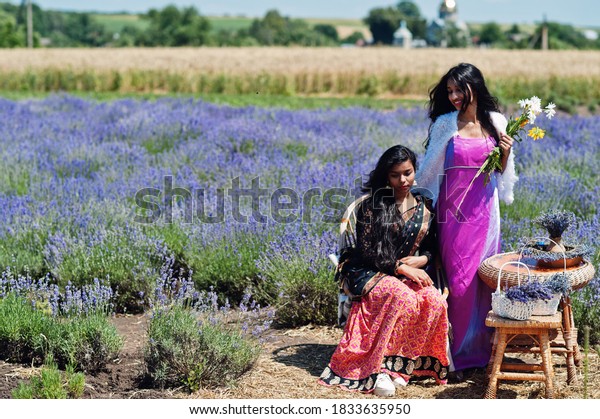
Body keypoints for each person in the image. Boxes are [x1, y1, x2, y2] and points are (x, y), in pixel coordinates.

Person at [319, 145, 450, 397]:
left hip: (405, 273)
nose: (403, 180)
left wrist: (421, 260)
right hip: (368, 271)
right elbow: (368, 252)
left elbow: (432, 248)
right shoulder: (373, 206)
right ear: (385, 176)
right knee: (402, 296)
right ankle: (379, 368)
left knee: (433, 300)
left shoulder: (425, 207)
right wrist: (401, 267)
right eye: (395, 175)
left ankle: (403, 366)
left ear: (415, 170)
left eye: (408, 173)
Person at [416, 63, 518, 374]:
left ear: (475, 87)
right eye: (449, 91)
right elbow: (430, 169)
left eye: (459, 89)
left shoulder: (497, 122)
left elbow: (501, 172)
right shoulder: (445, 124)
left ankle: (483, 354)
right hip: (453, 213)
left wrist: (506, 151)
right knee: (458, 284)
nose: (454, 96)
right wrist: (418, 201)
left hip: (485, 211)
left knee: (484, 280)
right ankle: (452, 354)